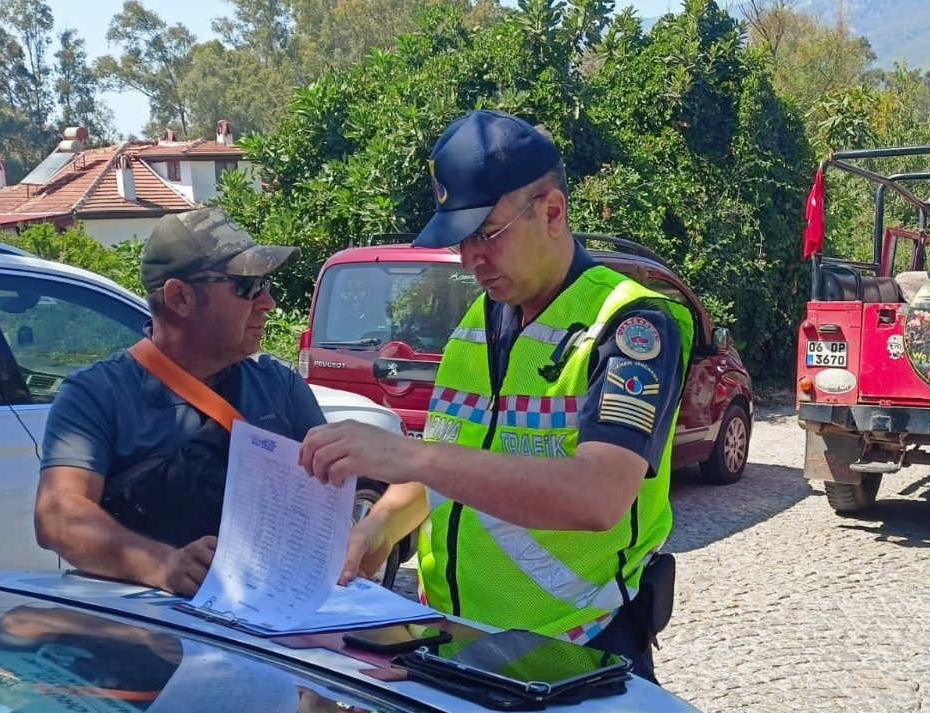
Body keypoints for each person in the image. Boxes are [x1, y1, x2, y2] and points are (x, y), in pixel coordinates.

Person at [299, 110, 693, 683]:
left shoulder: (632, 326)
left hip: (576, 654)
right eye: (461, 241)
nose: (470, 260)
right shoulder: (476, 324)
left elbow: (599, 495)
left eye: (486, 234)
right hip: (458, 642)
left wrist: (405, 456)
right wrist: (380, 525)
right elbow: (448, 459)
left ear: (552, 211)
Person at [34, 208, 327, 597]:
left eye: (265, 283)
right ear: (180, 297)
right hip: (149, 639)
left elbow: (338, 488)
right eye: (248, 286)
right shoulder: (96, 395)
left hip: (266, 634)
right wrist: (164, 565)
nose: (267, 302)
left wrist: (379, 520)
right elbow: (57, 515)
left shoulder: (279, 385)